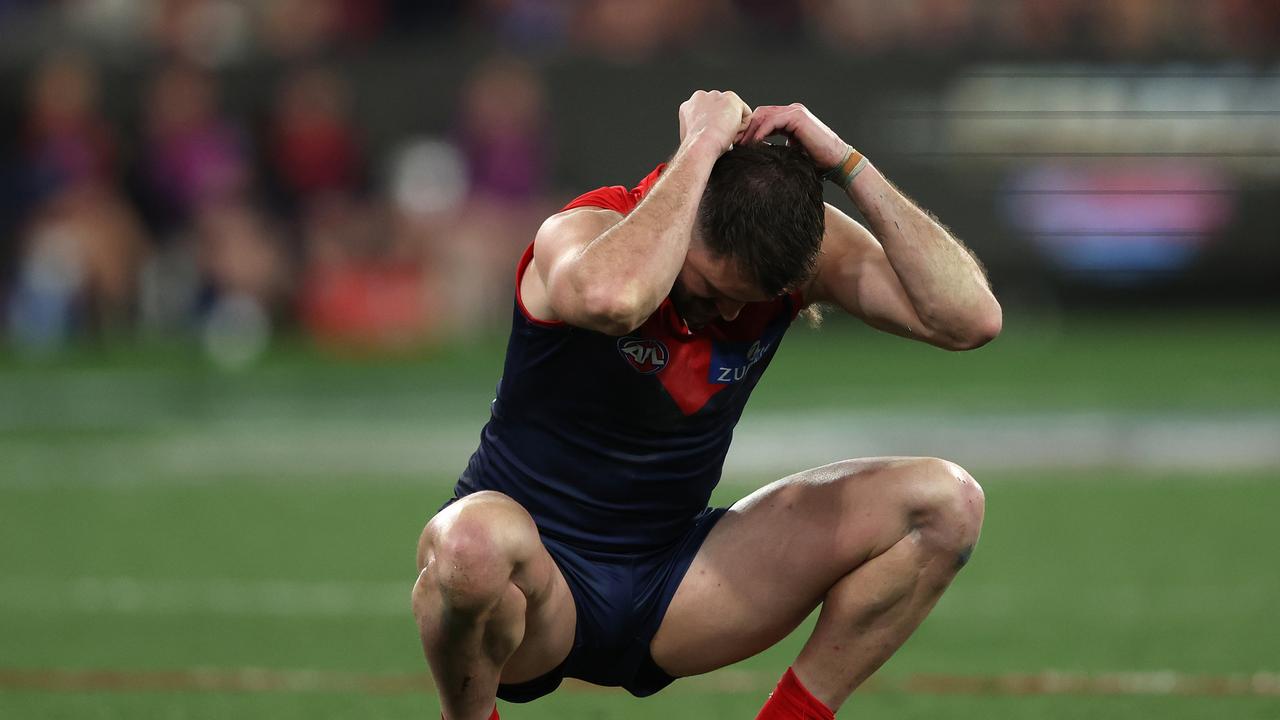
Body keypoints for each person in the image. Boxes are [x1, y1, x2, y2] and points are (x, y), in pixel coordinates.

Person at [413, 90, 1002, 720]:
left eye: (748, 301)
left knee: (947, 504)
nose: (726, 313)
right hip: (533, 585)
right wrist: (700, 145)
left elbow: (970, 319)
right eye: (712, 288)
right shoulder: (588, 230)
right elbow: (613, 301)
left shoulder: (785, 250)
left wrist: (847, 165)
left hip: (676, 586)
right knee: (469, 547)